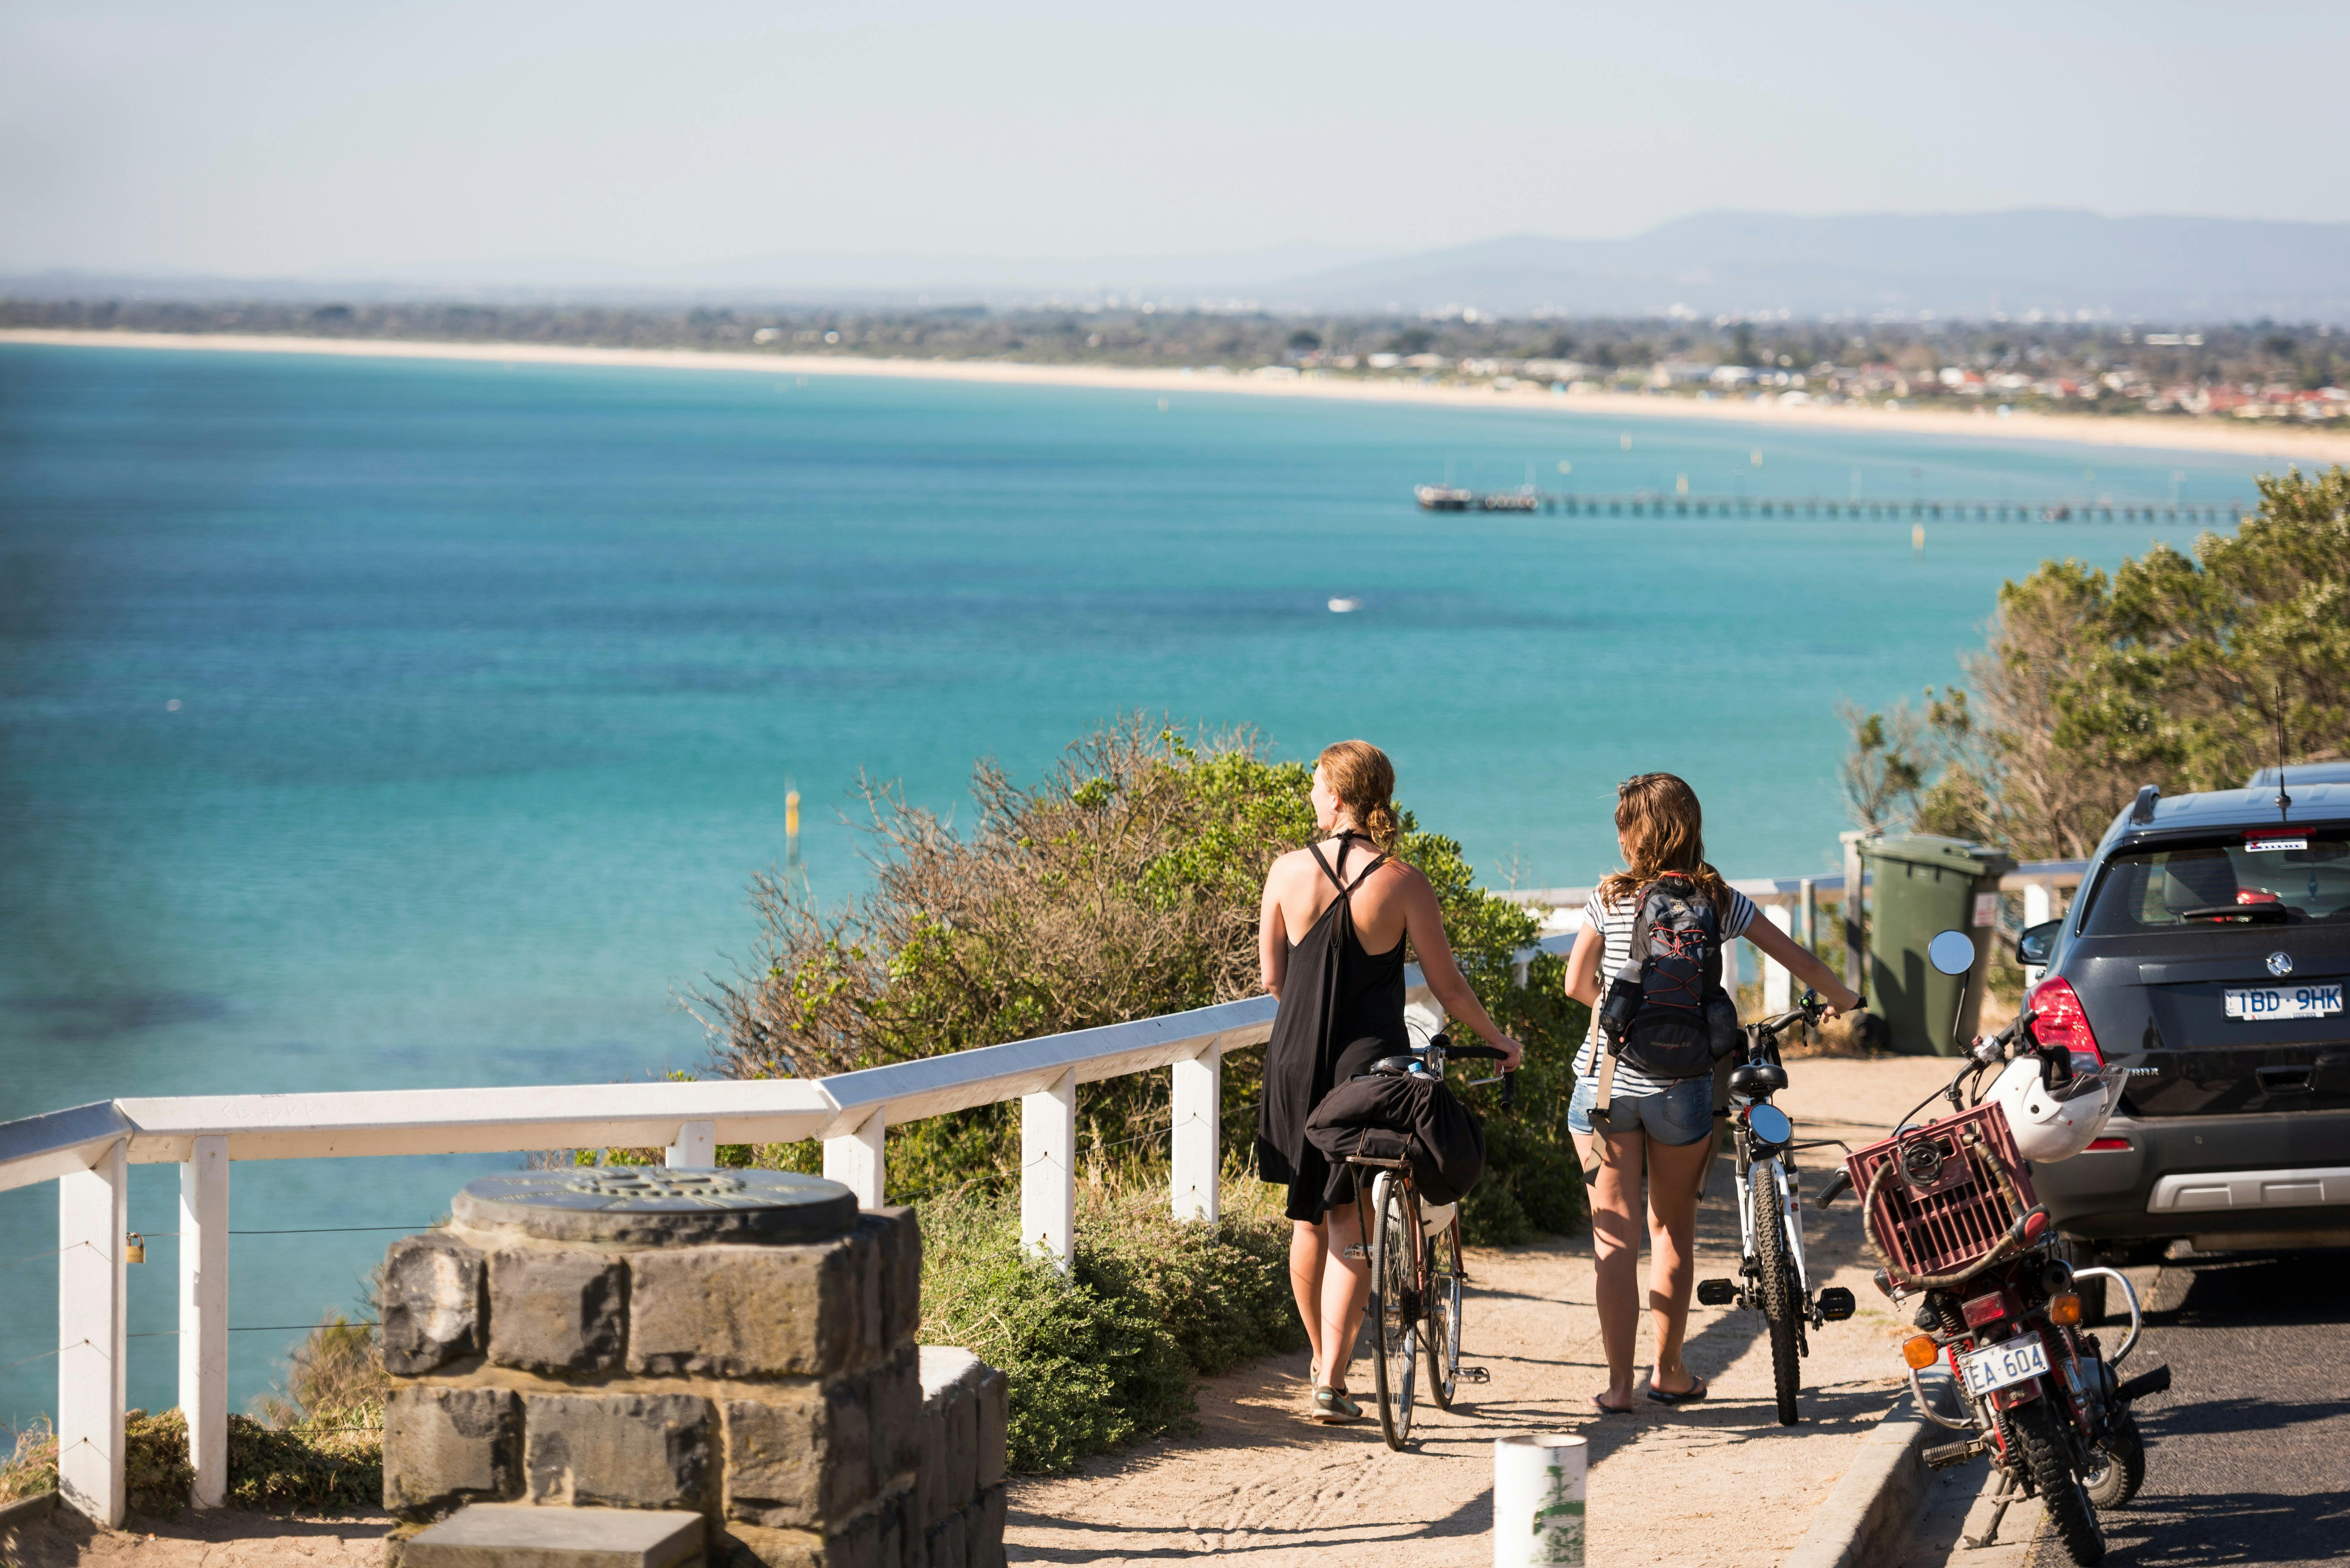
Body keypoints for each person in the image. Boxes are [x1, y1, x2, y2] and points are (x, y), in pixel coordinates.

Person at [1563, 772, 1858, 1414]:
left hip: (1608, 1083)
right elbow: (1799, 960)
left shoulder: (1607, 898)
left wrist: (1621, 1018)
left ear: (1630, 837)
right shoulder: (1718, 900)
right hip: (1686, 1087)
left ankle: (1618, 1387)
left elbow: (1573, 983)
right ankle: (1668, 1373)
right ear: (1690, 828)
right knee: (1672, 1230)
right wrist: (1844, 999)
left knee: (1613, 1240)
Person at [1256, 739, 1525, 1424]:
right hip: (1366, 1071)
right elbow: (1448, 988)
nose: (1313, 797)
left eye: (1317, 787)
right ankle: (1332, 1377)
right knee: (1353, 1221)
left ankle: (1324, 1364)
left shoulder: (1285, 872)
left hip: (1294, 1064)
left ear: (1339, 797)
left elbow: (1274, 981)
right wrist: (1499, 1041)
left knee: (1307, 1218)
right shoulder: (1403, 882)